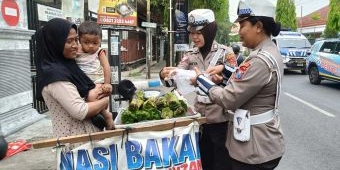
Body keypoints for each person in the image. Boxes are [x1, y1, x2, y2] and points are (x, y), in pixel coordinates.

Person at [195, 0, 285, 169]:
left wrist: (202, 80)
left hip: (254, 150)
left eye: (242, 25)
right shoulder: (267, 51)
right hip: (260, 142)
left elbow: (229, 99)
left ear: (258, 26)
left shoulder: (259, 60)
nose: (239, 32)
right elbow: (245, 85)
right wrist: (222, 78)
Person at [159, 9, 237, 170]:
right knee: (202, 162)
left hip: (221, 120)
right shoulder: (189, 54)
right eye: (192, 33)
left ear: (209, 31)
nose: (194, 37)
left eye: (199, 33)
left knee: (222, 163)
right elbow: (173, 81)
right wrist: (164, 75)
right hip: (198, 119)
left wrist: (220, 80)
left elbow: (237, 84)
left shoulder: (225, 53)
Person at [35, 18, 112, 149]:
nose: (75, 45)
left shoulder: (70, 66)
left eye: (76, 40)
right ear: (54, 43)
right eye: (69, 41)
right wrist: (105, 101)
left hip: (90, 141)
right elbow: (79, 111)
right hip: (75, 146)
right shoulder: (55, 76)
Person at [76, 21, 114, 130]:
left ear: (100, 41)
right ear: (80, 40)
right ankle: (101, 117)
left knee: (92, 97)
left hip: (97, 81)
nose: (91, 46)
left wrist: (107, 83)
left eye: (95, 43)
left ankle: (106, 115)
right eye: (86, 42)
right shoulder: (76, 51)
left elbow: (106, 67)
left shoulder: (99, 52)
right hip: (84, 83)